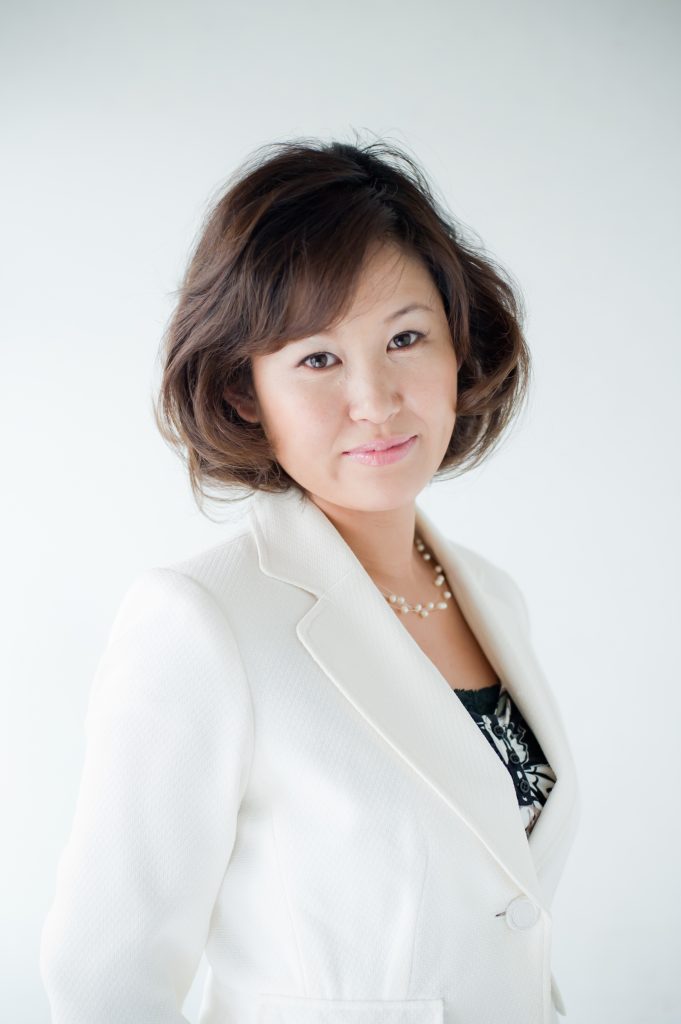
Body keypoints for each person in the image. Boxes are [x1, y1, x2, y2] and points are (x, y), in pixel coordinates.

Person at [40, 136, 580, 1024]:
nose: (376, 400)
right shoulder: (203, 619)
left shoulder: (493, 596)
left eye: (405, 338)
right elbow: (106, 979)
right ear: (244, 390)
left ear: (458, 348)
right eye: (317, 358)